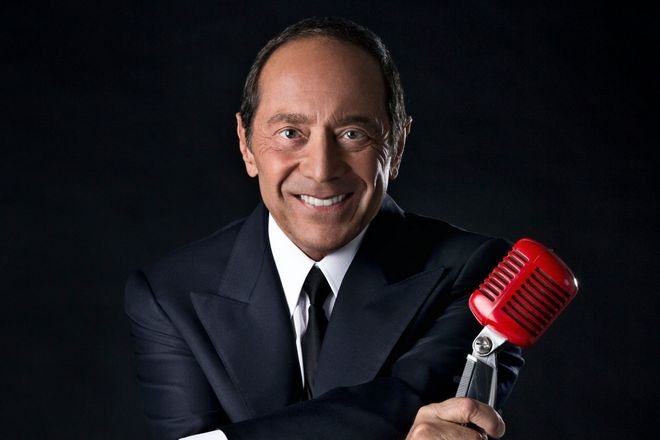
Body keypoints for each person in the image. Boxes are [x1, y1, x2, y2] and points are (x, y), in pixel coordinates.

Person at [125, 16, 523, 440]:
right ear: (245, 143)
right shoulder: (168, 295)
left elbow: (409, 398)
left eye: (353, 133)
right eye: (290, 132)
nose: (321, 169)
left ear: (397, 144)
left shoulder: (484, 274)